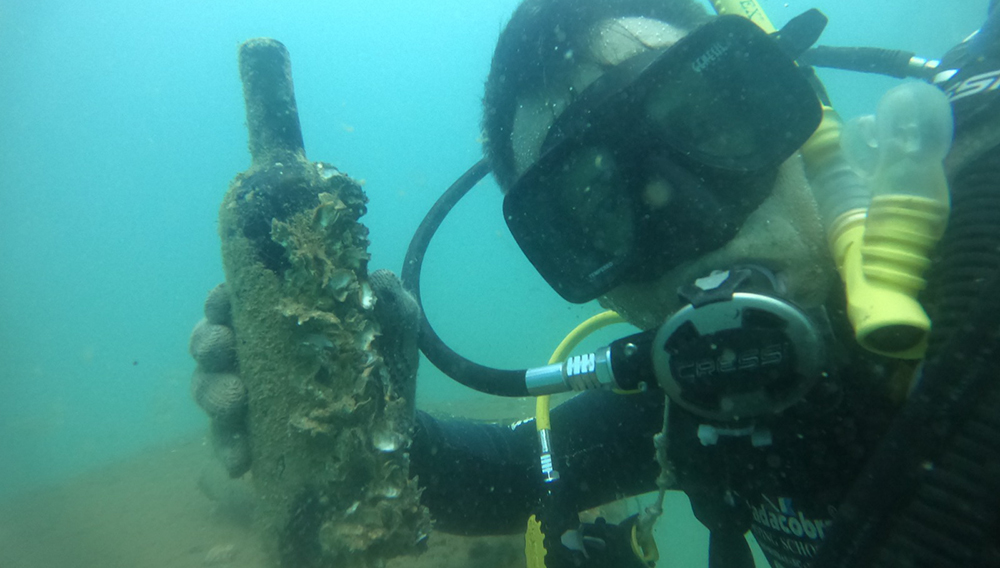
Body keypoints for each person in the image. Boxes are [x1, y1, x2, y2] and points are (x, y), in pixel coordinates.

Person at [189, 1, 1000, 567]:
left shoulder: (978, 272)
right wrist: (353, 413)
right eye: (598, 208)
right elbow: (503, 475)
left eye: (710, 124)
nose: (688, 217)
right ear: (589, 280)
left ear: (798, 129)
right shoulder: (687, 408)